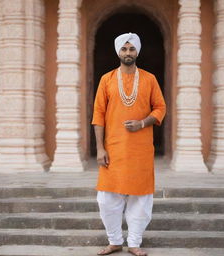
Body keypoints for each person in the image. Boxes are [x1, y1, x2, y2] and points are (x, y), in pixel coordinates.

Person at [92, 32, 166, 256]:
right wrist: (99, 148)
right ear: (118, 52)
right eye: (124, 49)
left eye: (131, 49)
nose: (128, 53)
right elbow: (98, 114)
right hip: (113, 148)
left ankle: (134, 243)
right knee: (107, 199)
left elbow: (160, 108)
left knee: (140, 198)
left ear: (137, 52)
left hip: (140, 149)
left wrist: (143, 122)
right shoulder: (106, 79)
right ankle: (114, 241)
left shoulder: (149, 79)